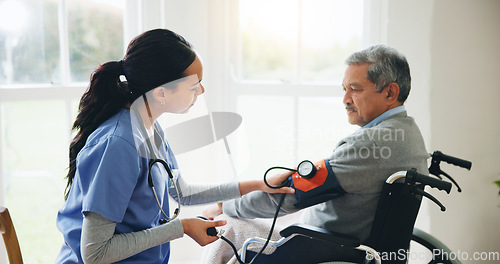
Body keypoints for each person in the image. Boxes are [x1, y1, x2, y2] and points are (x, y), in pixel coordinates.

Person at [55, 28, 293, 264]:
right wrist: (182, 227)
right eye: (193, 86)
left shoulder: (148, 126)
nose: (201, 91)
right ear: (161, 92)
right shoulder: (118, 145)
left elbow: (181, 192)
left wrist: (258, 184)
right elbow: (94, 253)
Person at [202, 45, 430, 263]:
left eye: (355, 89)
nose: (345, 99)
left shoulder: (369, 143)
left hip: (325, 247)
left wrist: (224, 206)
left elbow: (291, 194)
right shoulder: (409, 133)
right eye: (344, 89)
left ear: (390, 92)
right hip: (348, 237)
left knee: (228, 225)